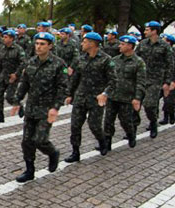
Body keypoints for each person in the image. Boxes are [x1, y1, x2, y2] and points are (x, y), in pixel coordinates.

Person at [10, 32, 67, 183]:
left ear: (50, 46)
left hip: (46, 109)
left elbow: (63, 88)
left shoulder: (58, 64)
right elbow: (24, 84)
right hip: (31, 108)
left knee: (40, 140)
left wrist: (55, 107)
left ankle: (53, 153)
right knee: (27, 141)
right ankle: (29, 170)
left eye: (42, 44)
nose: (38, 47)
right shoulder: (31, 62)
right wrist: (17, 100)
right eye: (37, 43)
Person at [64, 32, 117, 162]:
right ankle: (75, 152)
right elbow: (75, 78)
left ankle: (103, 141)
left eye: (84, 41)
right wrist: (69, 94)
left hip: (96, 99)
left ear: (92, 43)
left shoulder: (106, 60)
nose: (82, 44)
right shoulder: (80, 59)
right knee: (75, 125)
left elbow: (113, 81)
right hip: (80, 97)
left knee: (94, 125)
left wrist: (105, 94)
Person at [104, 35, 146, 149]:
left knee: (125, 121)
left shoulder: (139, 62)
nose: (119, 46)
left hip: (127, 97)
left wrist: (137, 98)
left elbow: (141, 82)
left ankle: (131, 135)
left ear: (130, 46)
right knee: (108, 120)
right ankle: (107, 142)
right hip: (113, 96)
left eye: (122, 44)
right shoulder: (114, 60)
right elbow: (108, 77)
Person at [136, 21, 174, 137]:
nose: (144, 31)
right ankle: (132, 128)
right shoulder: (142, 44)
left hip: (155, 80)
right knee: (133, 105)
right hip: (141, 79)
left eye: (147, 30)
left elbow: (170, 65)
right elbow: (135, 59)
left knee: (149, 104)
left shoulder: (165, 46)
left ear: (154, 31)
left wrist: (167, 82)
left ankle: (153, 122)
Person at [0, 30, 26, 123]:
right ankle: (0, 116)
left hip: (13, 76)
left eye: (6, 37)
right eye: (3, 37)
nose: (4, 39)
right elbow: (0, 62)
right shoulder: (2, 49)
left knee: (9, 97)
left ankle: (20, 105)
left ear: (11, 38)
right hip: (3, 75)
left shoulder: (18, 49)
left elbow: (23, 63)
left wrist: (16, 74)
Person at [160, 34, 175, 125]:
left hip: (170, 80)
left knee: (168, 100)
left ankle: (171, 116)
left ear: (168, 42)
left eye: (164, 40)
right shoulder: (161, 52)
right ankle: (163, 118)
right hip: (160, 79)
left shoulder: (173, 53)